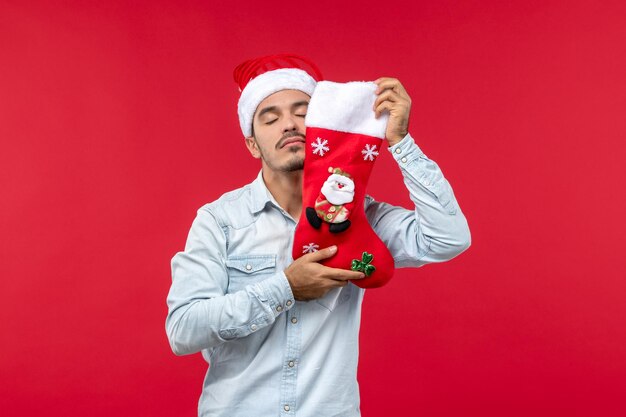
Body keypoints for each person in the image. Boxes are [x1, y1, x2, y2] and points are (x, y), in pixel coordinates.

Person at [166, 54, 471, 417]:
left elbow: (448, 238)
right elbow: (183, 330)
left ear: (323, 125)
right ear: (252, 144)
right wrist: (286, 288)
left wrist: (401, 143)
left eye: (302, 112)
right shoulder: (220, 220)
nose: (289, 125)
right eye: (270, 117)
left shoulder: (358, 216)